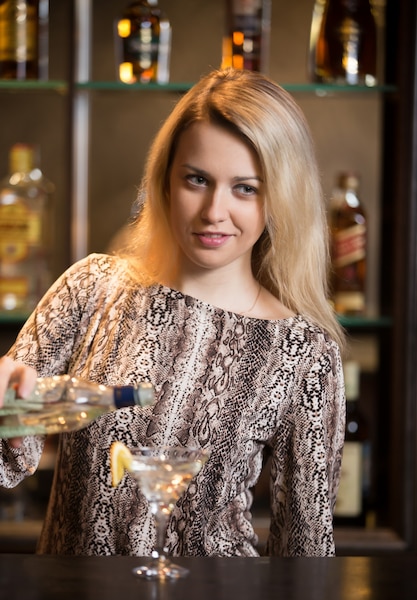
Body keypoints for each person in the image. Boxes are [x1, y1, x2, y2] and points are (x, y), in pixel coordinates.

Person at [0, 67, 346, 557]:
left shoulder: (304, 352)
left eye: (245, 188)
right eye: (197, 180)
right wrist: (9, 415)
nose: (213, 211)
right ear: (165, 180)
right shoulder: (92, 287)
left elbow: (307, 552)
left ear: (279, 198)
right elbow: (8, 457)